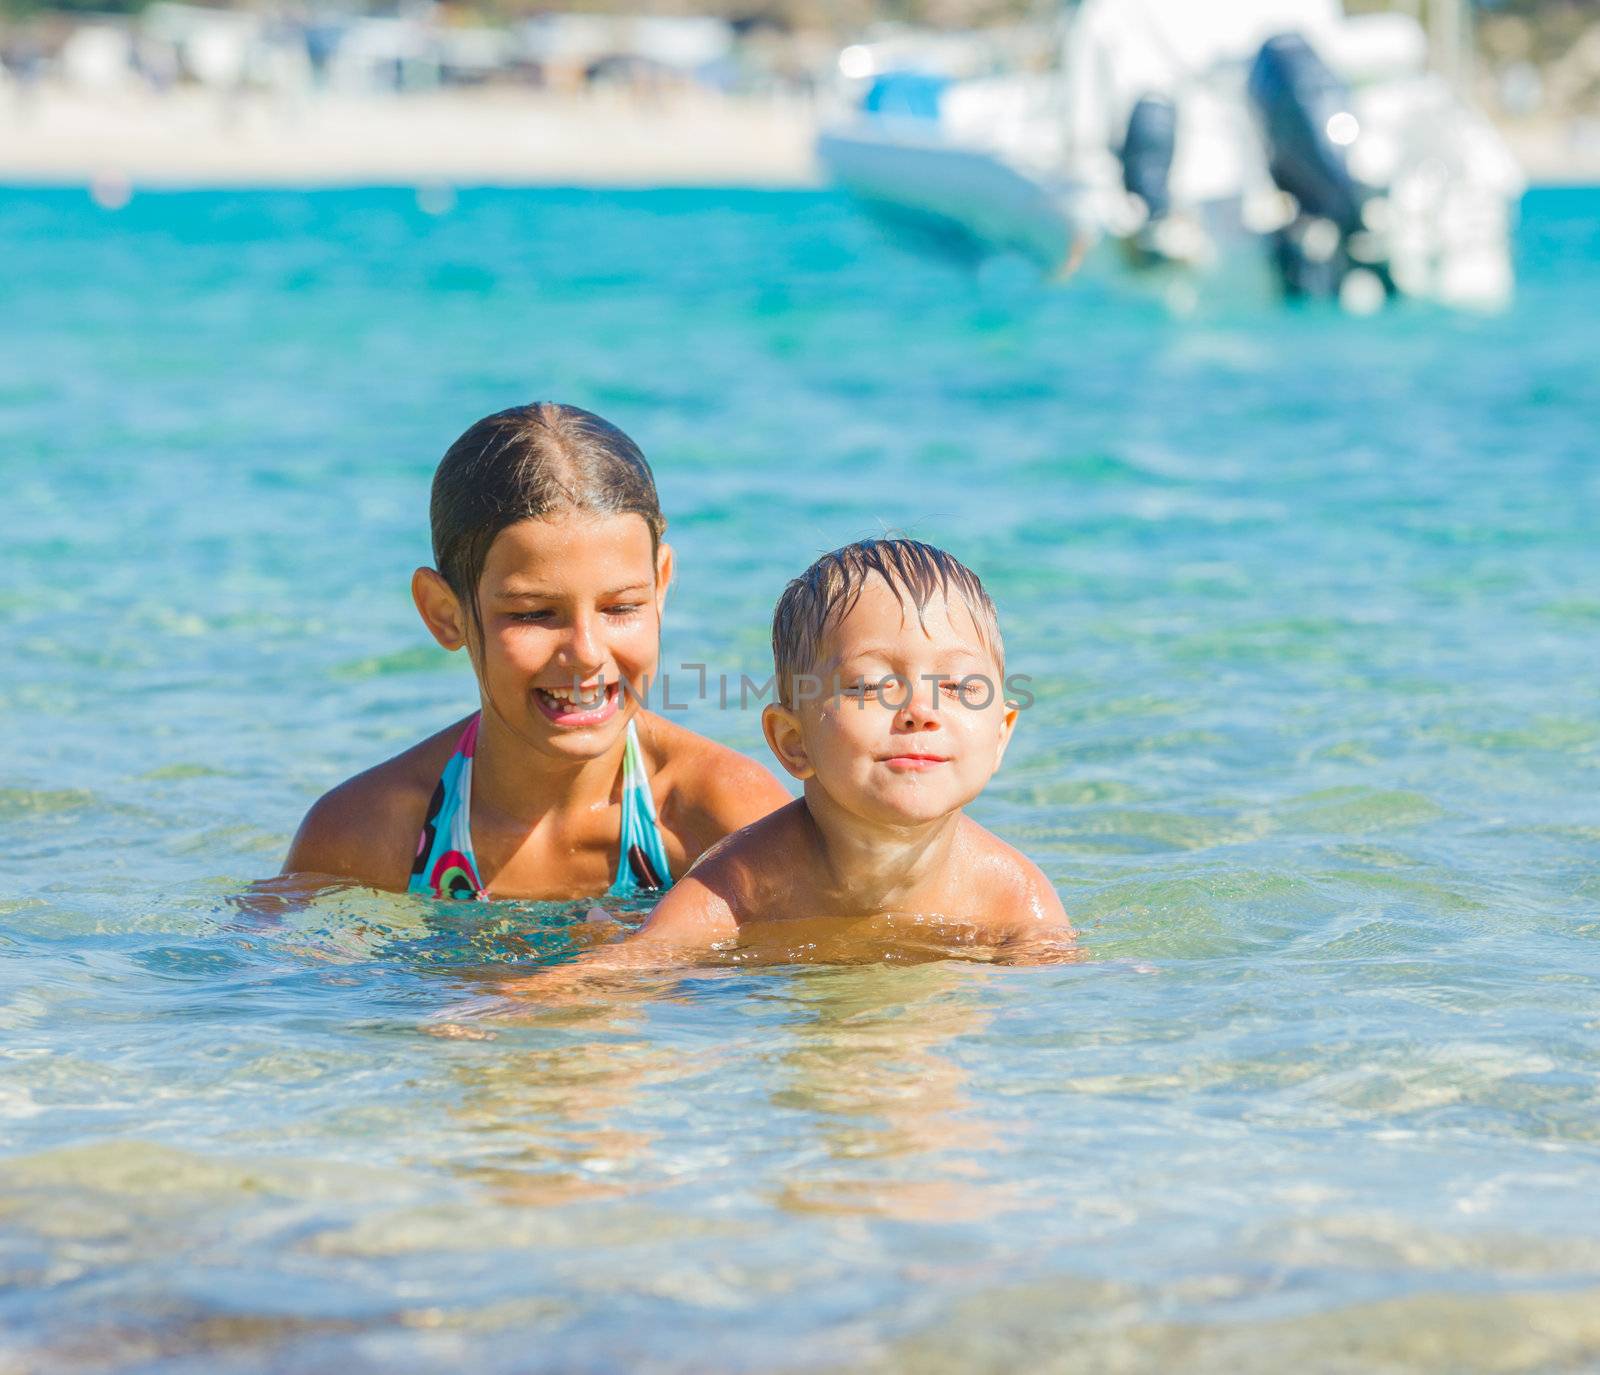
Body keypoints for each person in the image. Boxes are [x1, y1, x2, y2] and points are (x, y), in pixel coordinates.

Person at [282, 402, 790, 901]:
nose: (587, 652)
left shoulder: (726, 820)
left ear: (660, 586)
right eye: (532, 614)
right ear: (445, 612)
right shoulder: (368, 835)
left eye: (620, 607)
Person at [619, 537, 1073, 957]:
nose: (921, 710)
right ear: (793, 742)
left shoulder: (1012, 900)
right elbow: (625, 971)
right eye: (871, 685)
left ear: (1000, 734)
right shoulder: (740, 887)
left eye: (957, 685)